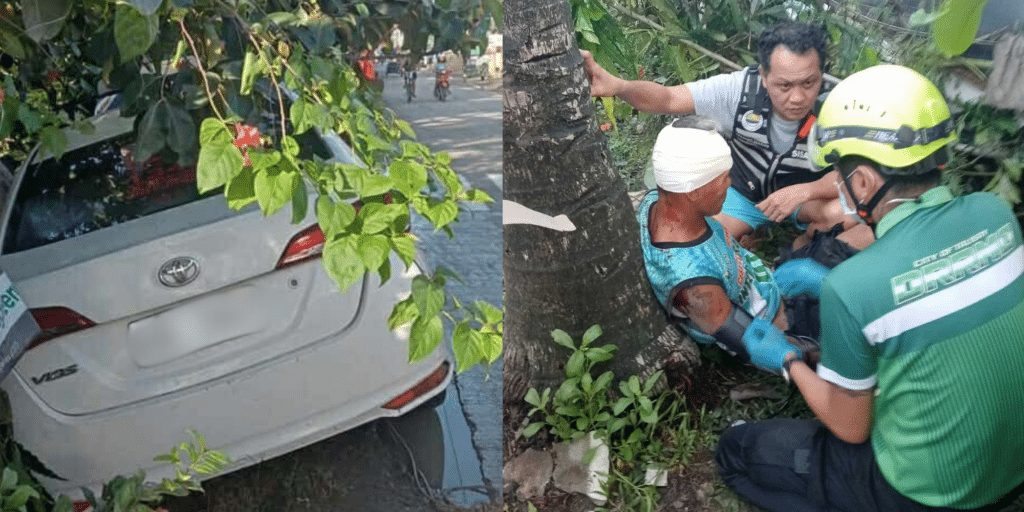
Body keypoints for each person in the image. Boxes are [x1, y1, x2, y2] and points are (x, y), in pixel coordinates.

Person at [715, 64, 1024, 512]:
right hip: (1012, 469)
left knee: (738, 449)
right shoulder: (995, 214)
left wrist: (788, 360)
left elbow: (851, 427)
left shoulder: (854, 286)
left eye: (841, 177)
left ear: (863, 182)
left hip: (930, 494)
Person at [584, 22, 872, 252]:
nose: (797, 97)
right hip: (743, 195)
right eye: (783, 85)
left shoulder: (839, 105)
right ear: (763, 75)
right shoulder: (738, 91)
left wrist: (803, 192)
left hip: (804, 198)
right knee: (698, 240)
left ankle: (802, 249)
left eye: (809, 83)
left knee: (848, 218)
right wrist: (618, 85)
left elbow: (860, 172)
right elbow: (669, 98)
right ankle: (753, 229)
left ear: (821, 74)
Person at [637, 116, 819, 373]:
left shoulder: (659, 199)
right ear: (693, 190)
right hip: (771, 321)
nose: (730, 184)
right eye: (722, 178)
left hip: (764, 285)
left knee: (820, 276)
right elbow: (749, 339)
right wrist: (804, 356)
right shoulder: (695, 283)